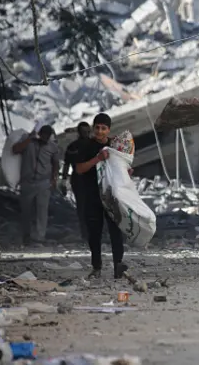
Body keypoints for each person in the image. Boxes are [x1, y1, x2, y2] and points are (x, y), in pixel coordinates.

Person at [75, 113, 128, 279]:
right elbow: (79, 169)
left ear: (109, 129)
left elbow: (124, 166)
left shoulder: (115, 145)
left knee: (116, 231)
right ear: (93, 128)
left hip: (111, 195)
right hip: (92, 196)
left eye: (103, 128)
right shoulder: (85, 146)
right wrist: (97, 159)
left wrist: (127, 172)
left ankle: (118, 266)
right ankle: (96, 267)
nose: (100, 131)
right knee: (94, 233)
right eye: (97, 127)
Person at [12, 125, 60, 245]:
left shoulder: (52, 147)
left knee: (42, 211)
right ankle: (26, 237)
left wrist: (54, 179)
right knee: (26, 211)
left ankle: (39, 237)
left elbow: (55, 163)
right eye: (43, 135)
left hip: (44, 182)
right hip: (27, 182)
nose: (45, 138)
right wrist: (29, 138)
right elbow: (15, 149)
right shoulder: (29, 143)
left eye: (47, 136)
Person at [61, 122, 91, 241]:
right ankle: (85, 233)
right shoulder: (73, 147)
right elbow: (66, 164)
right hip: (79, 180)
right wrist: (63, 181)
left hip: (92, 180)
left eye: (88, 131)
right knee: (82, 207)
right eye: (84, 131)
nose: (86, 134)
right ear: (79, 132)